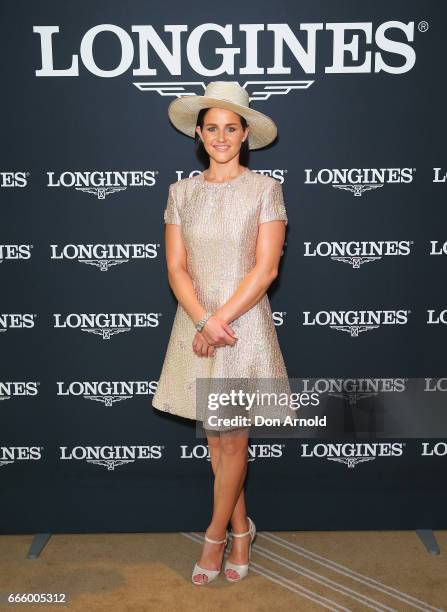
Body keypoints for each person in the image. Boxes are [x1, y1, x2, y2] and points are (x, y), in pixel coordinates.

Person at [152, 81, 291, 585]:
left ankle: (215, 537)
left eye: (231, 128)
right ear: (199, 132)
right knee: (218, 444)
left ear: (246, 133)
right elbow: (176, 269)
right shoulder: (180, 192)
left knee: (231, 441)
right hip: (195, 325)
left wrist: (219, 321)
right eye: (212, 128)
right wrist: (201, 320)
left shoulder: (264, 189)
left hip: (242, 328)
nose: (221, 137)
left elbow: (266, 269)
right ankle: (241, 530)